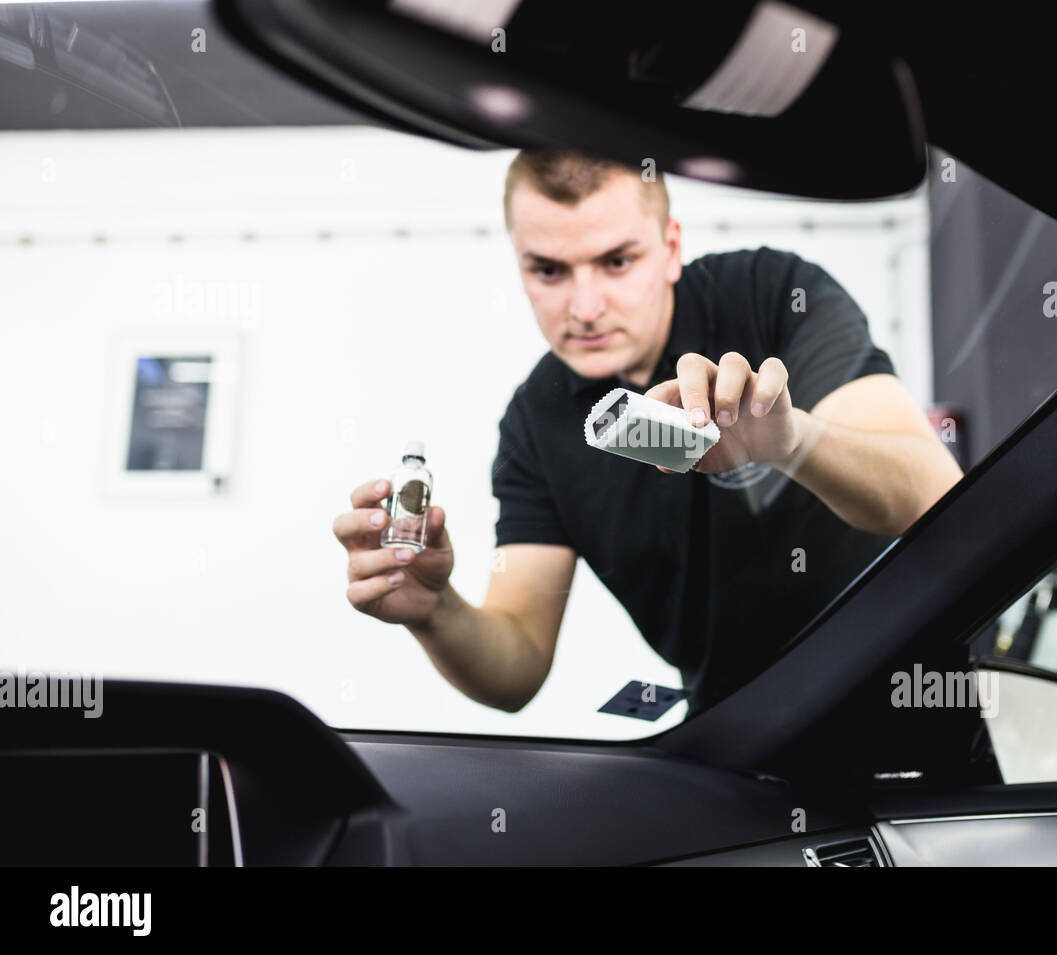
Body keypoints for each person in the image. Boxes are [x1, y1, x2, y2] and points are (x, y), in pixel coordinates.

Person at [333, 149, 962, 715]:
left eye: (616, 261)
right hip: (735, 744)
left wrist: (791, 444)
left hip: (906, 708)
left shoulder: (772, 295)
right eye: (549, 271)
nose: (584, 308)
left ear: (670, 247)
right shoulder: (536, 421)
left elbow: (934, 492)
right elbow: (517, 663)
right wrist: (435, 612)